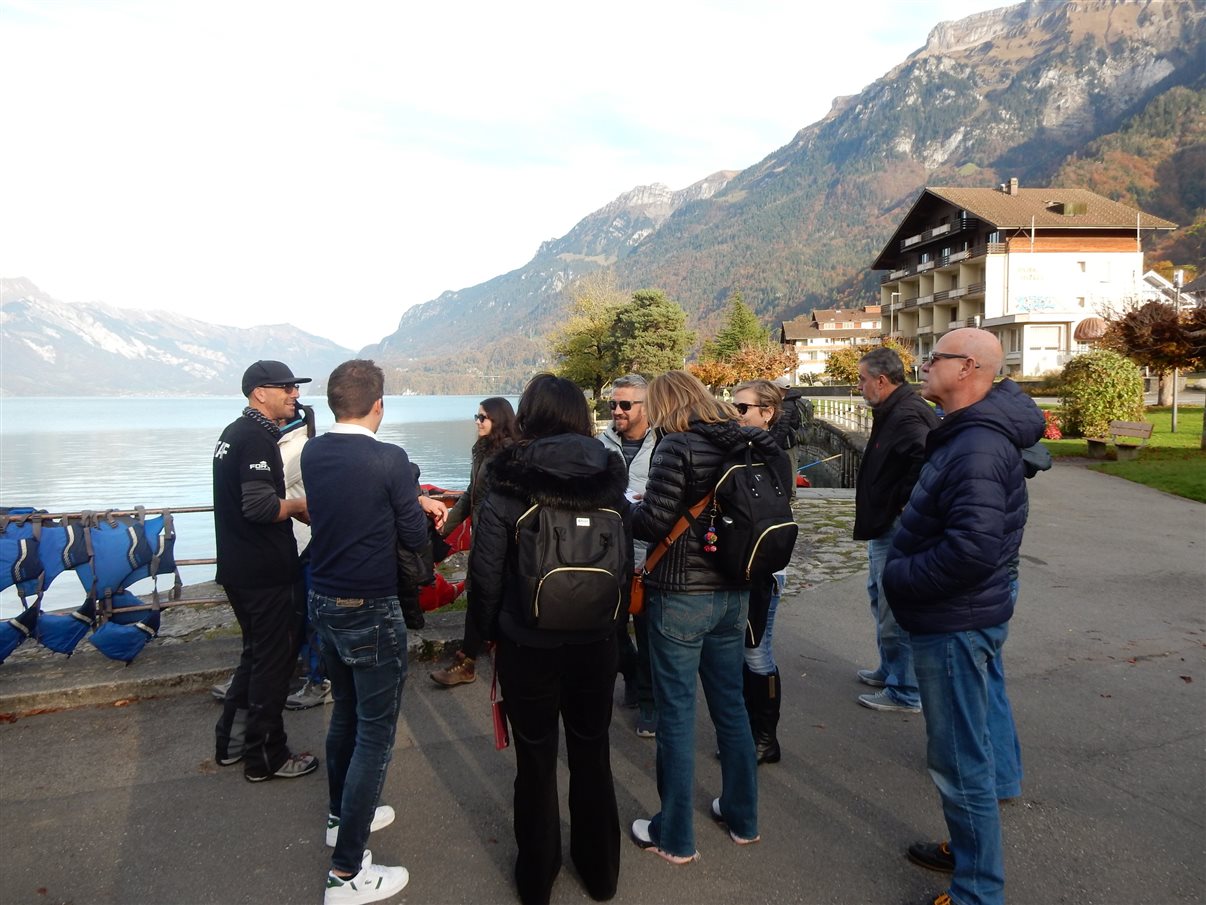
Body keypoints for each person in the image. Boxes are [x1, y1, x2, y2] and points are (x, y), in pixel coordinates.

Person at [882, 329, 1044, 905]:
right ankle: (968, 847)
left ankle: (977, 891)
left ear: (968, 367)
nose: (924, 366)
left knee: (959, 762)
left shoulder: (976, 445)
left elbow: (971, 549)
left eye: (935, 358)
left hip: (953, 620)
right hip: (963, 613)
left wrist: (897, 577)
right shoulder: (970, 435)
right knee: (967, 753)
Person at [469, 373, 630, 905]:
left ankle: (536, 877)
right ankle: (601, 872)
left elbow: (486, 571)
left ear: (530, 414)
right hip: (596, 639)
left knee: (535, 759)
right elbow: (623, 558)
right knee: (592, 750)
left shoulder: (508, 475)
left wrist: (481, 638)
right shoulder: (610, 471)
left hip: (527, 640)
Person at [302, 359, 447, 905]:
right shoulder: (390, 459)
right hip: (370, 604)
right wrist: (415, 503)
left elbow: (333, 511)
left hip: (324, 597)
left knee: (345, 711)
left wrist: (404, 500)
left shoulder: (316, 451)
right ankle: (346, 873)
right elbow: (412, 534)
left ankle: (342, 816)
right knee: (375, 733)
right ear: (379, 404)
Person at [630, 370, 789, 864]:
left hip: (680, 594)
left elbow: (654, 521)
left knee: (676, 715)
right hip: (735, 590)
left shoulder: (676, 446)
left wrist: (622, 508)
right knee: (731, 707)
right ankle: (743, 818)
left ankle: (674, 836)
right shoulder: (746, 442)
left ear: (665, 406)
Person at [212, 359, 318, 782]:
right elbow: (257, 507)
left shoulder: (232, 434)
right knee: (274, 665)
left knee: (255, 657)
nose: (295, 394)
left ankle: (231, 744)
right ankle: (266, 757)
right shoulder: (255, 438)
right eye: (287, 387)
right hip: (265, 573)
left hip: (238, 568)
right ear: (260, 392)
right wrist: (299, 506)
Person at [852, 347, 938, 714]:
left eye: (861, 380)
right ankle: (891, 671)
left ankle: (904, 690)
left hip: (896, 525)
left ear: (881, 381)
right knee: (880, 596)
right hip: (884, 522)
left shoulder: (906, 413)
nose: (858, 387)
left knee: (894, 605)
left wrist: (904, 503)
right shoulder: (893, 408)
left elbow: (926, 457)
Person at [429, 397, 520, 688]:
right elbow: (470, 494)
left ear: (500, 420)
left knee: (487, 595)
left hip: (501, 543)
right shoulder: (482, 450)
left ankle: (473, 661)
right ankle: (470, 661)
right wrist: (446, 529)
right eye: (476, 416)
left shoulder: (508, 455)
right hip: (484, 538)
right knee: (478, 596)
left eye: (483, 417)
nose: (477, 421)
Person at [731, 379, 789, 764]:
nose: (733, 416)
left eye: (741, 409)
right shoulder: (747, 448)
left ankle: (766, 739)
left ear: (766, 413)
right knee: (744, 652)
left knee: (756, 653)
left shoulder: (773, 454)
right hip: (744, 564)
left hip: (765, 569)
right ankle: (752, 733)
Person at [597, 374, 658, 737]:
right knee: (611, 630)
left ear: (646, 408)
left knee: (650, 633)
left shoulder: (665, 444)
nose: (616, 411)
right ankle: (632, 673)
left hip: (651, 554)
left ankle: (650, 702)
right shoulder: (600, 444)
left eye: (625, 405)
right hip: (609, 554)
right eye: (613, 404)